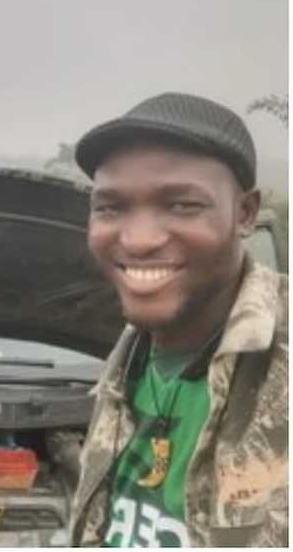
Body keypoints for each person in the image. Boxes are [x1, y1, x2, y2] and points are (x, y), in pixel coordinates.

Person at [68, 92, 288, 547]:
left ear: (244, 213)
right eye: (111, 207)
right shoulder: (126, 361)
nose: (138, 239)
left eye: (182, 205)